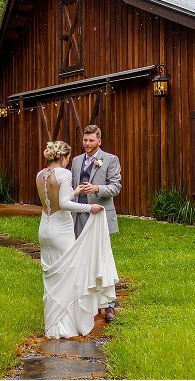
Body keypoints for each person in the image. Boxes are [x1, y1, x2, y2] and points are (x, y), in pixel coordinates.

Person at [36, 140, 119, 338]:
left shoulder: (41, 174)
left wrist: (75, 192)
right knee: (67, 276)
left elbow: (54, 201)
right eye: (67, 158)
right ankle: (64, 326)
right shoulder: (64, 173)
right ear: (63, 157)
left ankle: (52, 324)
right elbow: (64, 204)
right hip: (62, 230)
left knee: (52, 277)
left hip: (45, 229)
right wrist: (89, 208)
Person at [70, 124, 121, 322]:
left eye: (91, 141)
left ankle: (108, 305)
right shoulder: (75, 161)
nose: (88, 144)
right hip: (80, 215)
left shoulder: (110, 160)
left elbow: (116, 187)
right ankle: (88, 303)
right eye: (85, 140)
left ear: (99, 141)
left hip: (100, 216)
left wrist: (97, 188)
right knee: (83, 259)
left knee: (102, 258)